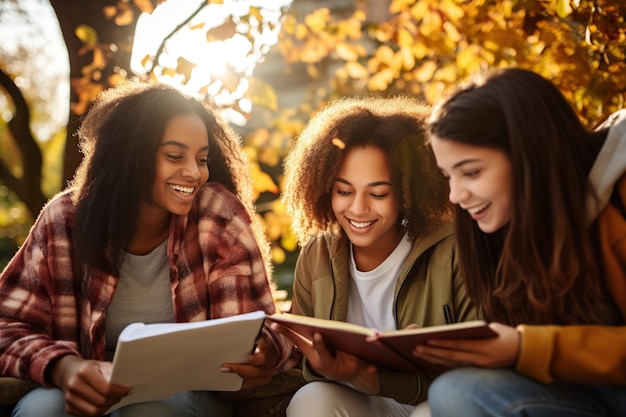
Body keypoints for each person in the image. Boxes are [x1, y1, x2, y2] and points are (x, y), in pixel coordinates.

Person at [0, 81, 298, 417]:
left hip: (187, 390)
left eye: (202, 158)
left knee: (152, 410)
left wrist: (262, 354)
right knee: (44, 409)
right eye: (174, 155)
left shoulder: (218, 217)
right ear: (129, 155)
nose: (194, 172)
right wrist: (63, 367)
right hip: (90, 378)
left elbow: (259, 326)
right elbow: (7, 325)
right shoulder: (64, 220)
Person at [415, 67, 626, 416]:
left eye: (471, 172)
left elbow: (536, 349)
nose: (455, 195)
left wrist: (526, 348)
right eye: (448, 175)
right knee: (444, 398)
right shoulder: (510, 225)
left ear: (532, 154)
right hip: (587, 396)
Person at [274, 96, 479, 417]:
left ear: (410, 191)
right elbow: (309, 363)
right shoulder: (317, 253)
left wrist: (381, 377)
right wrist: (329, 368)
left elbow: (478, 374)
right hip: (365, 404)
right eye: (344, 191)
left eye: (379, 193)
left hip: (440, 403)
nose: (357, 208)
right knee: (312, 399)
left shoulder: (455, 248)